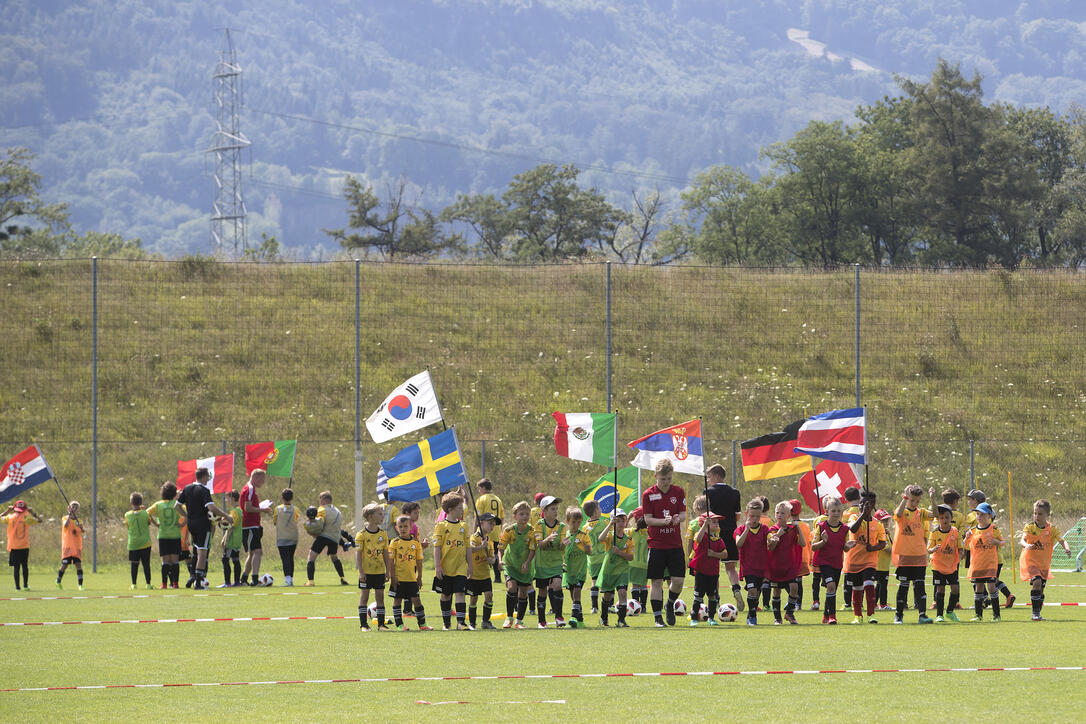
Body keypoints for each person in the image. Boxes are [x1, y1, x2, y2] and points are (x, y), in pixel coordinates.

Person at [641, 458, 687, 627]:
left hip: (675, 545)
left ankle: (670, 603)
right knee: (657, 582)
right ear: (655, 476)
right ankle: (658, 618)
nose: (666, 482)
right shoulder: (648, 494)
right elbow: (648, 519)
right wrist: (664, 521)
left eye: (668, 478)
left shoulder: (678, 491)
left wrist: (676, 519)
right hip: (656, 545)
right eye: (662, 479)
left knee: (679, 581)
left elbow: (683, 514)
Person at [175, 468, 231, 590]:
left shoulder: (187, 488)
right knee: (202, 553)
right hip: (202, 525)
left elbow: (177, 506)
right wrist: (225, 515)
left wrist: (187, 515)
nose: (208, 479)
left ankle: (195, 579)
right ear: (204, 476)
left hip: (191, 524)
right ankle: (198, 583)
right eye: (208, 476)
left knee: (197, 551)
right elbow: (211, 507)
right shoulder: (204, 490)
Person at [1020, 499, 1071, 622]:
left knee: (1041, 589)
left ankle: (1037, 609)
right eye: (1035, 513)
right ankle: (1035, 614)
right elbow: (1022, 539)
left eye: (1040, 514)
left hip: (1044, 565)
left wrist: (1067, 548)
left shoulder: (1052, 529)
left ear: (1048, 515)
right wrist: (1025, 545)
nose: (1037, 516)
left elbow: (1062, 540)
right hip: (1030, 561)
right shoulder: (1029, 527)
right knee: (1037, 582)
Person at [964, 489, 1015, 608]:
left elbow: (985, 532)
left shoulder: (974, 515)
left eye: (970, 499)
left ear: (975, 500)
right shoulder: (980, 514)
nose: (968, 502)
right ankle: (997, 597)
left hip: (988, 555)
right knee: (989, 580)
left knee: (987, 581)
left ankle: (986, 600)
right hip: (979, 552)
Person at [891, 485, 934, 624]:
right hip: (904, 555)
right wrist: (905, 498)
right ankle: (898, 615)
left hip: (919, 555)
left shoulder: (921, 513)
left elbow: (936, 515)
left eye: (917, 501)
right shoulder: (902, 512)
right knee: (903, 586)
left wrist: (933, 498)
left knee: (920, 586)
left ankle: (922, 615)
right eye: (912, 500)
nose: (914, 503)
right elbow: (897, 514)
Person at [704, 463, 744, 611]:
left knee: (713, 569)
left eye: (709, 477)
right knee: (731, 567)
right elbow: (737, 516)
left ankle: (716, 598)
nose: (708, 480)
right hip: (731, 532)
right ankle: (736, 590)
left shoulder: (708, 492)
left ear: (715, 475)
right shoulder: (735, 492)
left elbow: (705, 514)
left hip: (714, 533)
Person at [844, 490, 887, 624]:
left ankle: (871, 614)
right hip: (854, 560)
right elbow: (853, 529)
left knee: (869, 585)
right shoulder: (854, 518)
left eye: (867, 504)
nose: (863, 506)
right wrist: (862, 515)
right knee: (857, 589)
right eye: (861, 504)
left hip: (869, 561)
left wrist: (873, 548)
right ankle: (858, 616)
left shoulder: (878, 524)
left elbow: (883, 543)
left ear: (873, 505)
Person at [433, 491, 473, 630]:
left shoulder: (464, 526)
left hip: (460, 567)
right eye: (459, 508)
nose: (462, 510)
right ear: (450, 510)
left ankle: (461, 623)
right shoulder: (441, 526)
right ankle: (446, 623)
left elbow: (468, 548)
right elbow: (437, 547)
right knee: (446, 594)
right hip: (446, 567)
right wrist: (438, 566)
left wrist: (470, 566)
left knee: (460, 593)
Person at [499, 501, 537, 629]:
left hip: (525, 567)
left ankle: (519, 621)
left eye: (527, 514)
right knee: (511, 588)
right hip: (511, 565)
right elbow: (501, 547)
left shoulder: (532, 531)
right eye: (521, 514)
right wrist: (500, 560)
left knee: (523, 594)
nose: (525, 516)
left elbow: (533, 549)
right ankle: (509, 618)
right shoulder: (509, 530)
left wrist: (527, 563)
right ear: (515, 516)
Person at [388, 514, 430, 631]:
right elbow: (391, 561)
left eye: (405, 526)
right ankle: (399, 625)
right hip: (399, 578)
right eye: (400, 526)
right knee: (397, 600)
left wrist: (419, 576)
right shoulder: (394, 542)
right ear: (396, 528)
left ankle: (422, 624)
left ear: (410, 527)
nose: (403, 529)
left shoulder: (416, 543)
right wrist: (392, 577)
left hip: (411, 578)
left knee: (417, 600)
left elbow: (419, 561)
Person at [355, 502, 391, 631]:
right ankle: (364, 625)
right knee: (364, 597)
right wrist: (361, 572)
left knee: (380, 597)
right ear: (370, 516)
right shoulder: (361, 535)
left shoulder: (383, 534)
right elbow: (358, 555)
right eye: (379, 514)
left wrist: (388, 571)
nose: (382, 516)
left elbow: (386, 554)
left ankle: (381, 625)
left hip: (379, 571)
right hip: (366, 572)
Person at [810, 496, 847, 624]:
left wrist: (849, 546)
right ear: (827, 512)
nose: (836, 513)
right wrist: (823, 541)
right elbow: (813, 547)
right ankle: (832, 616)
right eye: (833, 511)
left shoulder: (844, 528)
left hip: (837, 563)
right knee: (830, 586)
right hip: (824, 562)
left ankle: (826, 615)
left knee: (832, 589)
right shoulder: (821, 527)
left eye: (838, 511)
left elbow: (845, 547)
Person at [767, 501, 805, 625]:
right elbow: (771, 547)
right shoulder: (772, 529)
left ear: (788, 515)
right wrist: (778, 534)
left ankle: (789, 613)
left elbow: (803, 543)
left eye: (782, 513)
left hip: (789, 565)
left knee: (794, 588)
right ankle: (777, 618)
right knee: (776, 591)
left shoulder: (792, 529)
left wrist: (798, 526)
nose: (779, 515)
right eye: (777, 512)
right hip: (776, 566)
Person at [532, 494, 567, 628]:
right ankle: (542, 620)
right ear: (544, 511)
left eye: (556, 508)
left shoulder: (562, 526)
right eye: (552, 509)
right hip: (542, 564)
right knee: (542, 591)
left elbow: (560, 546)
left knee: (557, 585)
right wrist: (548, 538)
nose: (556, 511)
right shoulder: (539, 525)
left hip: (556, 562)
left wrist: (564, 544)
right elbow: (539, 544)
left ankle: (559, 616)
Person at [965, 502, 1004, 622]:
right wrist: (966, 538)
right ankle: (978, 615)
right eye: (977, 514)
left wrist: (997, 542)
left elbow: (1003, 542)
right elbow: (965, 546)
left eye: (982, 514)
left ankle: (996, 615)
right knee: (978, 589)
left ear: (989, 516)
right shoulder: (972, 531)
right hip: (977, 565)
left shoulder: (994, 529)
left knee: (992, 587)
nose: (979, 517)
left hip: (990, 564)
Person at [688, 512, 727, 626]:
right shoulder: (702, 536)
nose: (716, 524)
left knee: (712, 596)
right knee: (698, 596)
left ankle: (711, 618)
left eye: (717, 522)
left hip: (713, 573)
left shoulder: (718, 540)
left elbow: (725, 554)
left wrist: (714, 554)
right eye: (713, 522)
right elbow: (698, 539)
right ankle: (694, 618)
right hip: (701, 571)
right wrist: (705, 526)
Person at [735, 499, 770, 626]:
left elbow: (770, 544)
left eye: (757, 516)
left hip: (762, 567)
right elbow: (739, 543)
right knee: (752, 591)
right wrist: (747, 530)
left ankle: (753, 609)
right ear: (746, 514)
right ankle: (751, 616)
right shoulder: (741, 529)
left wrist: (774, 540)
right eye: (752, 516)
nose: (755, 519)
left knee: (757, 593)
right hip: (748, 567)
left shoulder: (765, 529)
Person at [305, 491, 349, 586]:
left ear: (324, 500)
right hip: (334, 539)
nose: (319, 502)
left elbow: (318, 524)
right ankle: (343, 579)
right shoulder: (338, 511)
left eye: (320, 500)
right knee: (334, 558)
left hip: (323, 536)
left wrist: (311, 529)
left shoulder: (321, 509)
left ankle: (310, 581)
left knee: (311, 557)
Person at [598, 508, 633, 627]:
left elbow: (630, 557)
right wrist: (609, 525)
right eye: (618, 520)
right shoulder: (609, 536)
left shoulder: (628, 539)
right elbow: (600, 539)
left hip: (622, 570)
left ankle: (621, 620)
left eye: (623, 520)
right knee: (607, 595)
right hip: (609, 569)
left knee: (622, 593)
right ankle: (604, 618)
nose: (621, 523)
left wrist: (620, 553)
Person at [928, 504, 962, 622]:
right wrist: (933, 549)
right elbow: (928, 549)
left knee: (955, 589)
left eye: (947, 517)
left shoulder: (955, 532)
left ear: (951, 518)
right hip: (938, 566)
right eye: (941, 518)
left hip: (951, 565)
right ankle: (939, 615)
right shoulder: (934, 533)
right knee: (940, 589)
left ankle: (950, 611)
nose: (944, 520)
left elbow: (960, 547)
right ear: (938, 519)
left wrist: (961, 555)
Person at [147, 483, 184, 589]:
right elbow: (187, 514)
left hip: (163, 535)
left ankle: (164, 584)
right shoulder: (177, 504)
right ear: (174, 493)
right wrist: (182, 524)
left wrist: (155, 523)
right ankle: (175, 584)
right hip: (175, 535)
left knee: (165, 561)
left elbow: (147, 513)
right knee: (175, 561)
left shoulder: (158, 505)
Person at [239, 469, 272, 587]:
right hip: (249, 525)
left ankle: (244, 579)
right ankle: (254, 579)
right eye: (262, 480)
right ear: (256, 478)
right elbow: (247, 508)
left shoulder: (250, 488)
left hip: (252, 525)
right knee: (258, 552)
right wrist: (262, 509)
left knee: (253, 553)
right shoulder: (250, 488)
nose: (263, 482)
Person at [467, 513, 499, 630]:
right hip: (474, 575)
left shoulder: (489, 541)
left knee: (489, 596)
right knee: (473, 599)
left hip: (485, 575)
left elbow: (492, 557)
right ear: (481, 524)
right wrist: (481, 546)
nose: (492, 526)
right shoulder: (474, 538)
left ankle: (486, 621)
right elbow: (469, 550)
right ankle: (472, 623)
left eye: (493, 524)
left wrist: (491, 560)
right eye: (490, 523)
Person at [562, 506, 592, 627]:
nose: (576, 525)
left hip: (580, 570)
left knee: (577, 591)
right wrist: (562, 545)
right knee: (572, 594)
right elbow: (561, 551)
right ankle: (580, 620)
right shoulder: (565, 535)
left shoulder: (584, 535)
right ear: (567, 521)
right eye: (573, 522)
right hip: (569, 571)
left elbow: (590, 552)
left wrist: (586, 547)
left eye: (578, 522)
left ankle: (573, 616)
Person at [398, 500, 428, 616]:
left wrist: (421, 546)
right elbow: (410, 545)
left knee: (409, 584)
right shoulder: (411, 527)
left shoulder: (413, 526)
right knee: (410, 584)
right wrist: (422, 545)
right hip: (409, 561)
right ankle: (407, 610)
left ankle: (407, 609)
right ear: (406, 513)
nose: (417, 515)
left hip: (410, 559)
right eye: (415, 513)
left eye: (418, 513)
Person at [3, 500, 41, 590]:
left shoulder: (10, 517)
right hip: (24, 546)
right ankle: (25, 585)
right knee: (24, 566)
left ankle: (17, 587)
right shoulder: (27, 517)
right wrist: (32, 512)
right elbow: (40, 520)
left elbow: (1, 517)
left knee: (16, 568)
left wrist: (8, 510)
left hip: (14, 546)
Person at [474, 478, 505, 582]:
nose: (479, 491)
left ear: (483, 488)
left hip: (484, 531)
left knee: (481, 552)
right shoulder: (498, 499)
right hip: (496, 530)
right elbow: (502, 517)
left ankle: (479, 575)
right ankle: (497, 577)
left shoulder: (481, 499)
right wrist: (500, 530)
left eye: (479, 489)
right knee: (495, 553)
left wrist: (475, 530)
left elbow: (477, 517)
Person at [839, 486, 863, 608]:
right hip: (863, 546)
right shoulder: (863, 510)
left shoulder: (846, 513)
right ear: (859, 497)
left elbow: (844, 529)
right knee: (861, 576)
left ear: (845, 499)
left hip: (850, 547)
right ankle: (860, 603)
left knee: (848, 575)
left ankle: (848, 603)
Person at [582, 499, 606, 614]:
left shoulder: (584, 528)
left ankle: (594, 607)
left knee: (594, 581)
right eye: (600, 508)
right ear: (596, 511)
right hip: (603, 557)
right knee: (607, 581)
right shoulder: (604, 523)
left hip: (592, 559)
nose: (601, 510)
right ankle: (609, 605)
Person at [125, 492, 153, 589]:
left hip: (133, 543)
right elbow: (149, 522)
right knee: (146, 564)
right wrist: (143, 510)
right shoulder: (146, 513)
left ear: (131, 503)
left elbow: (128, 526)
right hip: (145, 543)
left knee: (134, 564)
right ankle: (148, 584)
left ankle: (134, 584)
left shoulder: (127, 515)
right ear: (141, 502)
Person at [273, 488, 300, 586]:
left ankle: (287, 580)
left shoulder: (277, 509)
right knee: (290, 558)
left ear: (282, 497)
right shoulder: (295, 509)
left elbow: (275, 521)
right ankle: (290, 579)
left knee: (285, 558)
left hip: (282, 536)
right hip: (293, 536)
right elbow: (296, 519)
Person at [56, 501, 84, 590]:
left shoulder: (79, 520)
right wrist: (69, 515)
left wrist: (81, 527)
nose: (74, 509)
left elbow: (82, 531)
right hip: (67, 547)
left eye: (76, 508)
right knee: (64, 565)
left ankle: (80, 585)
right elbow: (66, 524)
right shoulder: (65, 518)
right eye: (73, 507)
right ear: (69, 508)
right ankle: (58, 581)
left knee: (78, 565)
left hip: (76, 547)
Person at [218, 490, 243, 588]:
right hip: (238, 539)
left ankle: (227, 583)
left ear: (232, 498)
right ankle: (237, 582)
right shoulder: (240, 510)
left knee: (225, 559)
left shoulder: (234, 511)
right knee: (236, 559)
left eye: (227, 498)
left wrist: (225, 539)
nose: (225, 500)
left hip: (232, 540)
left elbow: (231, 526)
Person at [790, 499, 812, 610]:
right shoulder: (805, 526)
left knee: (792, 581)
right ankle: (798, 603)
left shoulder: (788, 525)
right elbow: (808, 543)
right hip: (803, 557)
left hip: (791, 558)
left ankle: (793, 602)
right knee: (799, 581)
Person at [626, 507, 649, 611]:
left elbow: (621, 529)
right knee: (644, 585)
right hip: (645, 564)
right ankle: (643, 606)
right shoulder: (650, 532)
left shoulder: (632, 532)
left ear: (635, 519)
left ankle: (636, 606)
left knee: (635, 585)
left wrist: (628, 516)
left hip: (633, 563)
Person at [873, 509, 893, 610]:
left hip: (884, 565)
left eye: (887, 520)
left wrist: (889, 535)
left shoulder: (886, 533)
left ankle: (875, 604)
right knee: (882, 586)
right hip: (878, 565)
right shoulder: (879, 534)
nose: (886, 523)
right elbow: (888, 549)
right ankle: (883, 604)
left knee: (880, 585)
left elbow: (891, 545)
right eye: (883, 521)